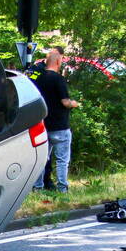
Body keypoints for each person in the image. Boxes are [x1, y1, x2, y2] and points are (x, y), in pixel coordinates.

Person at [30, 46, 81, 193]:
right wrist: (74, 104)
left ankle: (38, 188)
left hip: (42, 125)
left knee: (41, 160)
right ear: (58, 61)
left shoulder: (38, 79)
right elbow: (65, 102)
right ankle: (62, 189)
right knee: (62, 160)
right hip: (60, 127)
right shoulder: (59, 79)